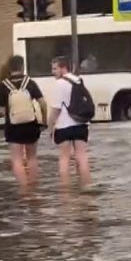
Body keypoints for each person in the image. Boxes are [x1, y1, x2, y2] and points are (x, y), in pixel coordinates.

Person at [0, 55, 46, 191]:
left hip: (13, 127)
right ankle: (34, 187)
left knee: (17, 160)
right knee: (32, 158)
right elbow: (42, 103)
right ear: (22, 67)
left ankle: (24, 190)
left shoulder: (3, 85)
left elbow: (1, 110)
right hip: (31, 125)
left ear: (9, 68)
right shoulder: (30, 82)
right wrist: (44, 121)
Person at [47, 56, 92, 189]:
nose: (53, 72)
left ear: (63, 68)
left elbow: (56, 110)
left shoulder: (59, 84)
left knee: (64, 158)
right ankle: (87, 187)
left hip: (64, 126)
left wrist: (50, 127)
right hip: (81, 124)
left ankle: (65, 192)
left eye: (55, 69)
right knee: (82, 157)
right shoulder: (78, 80)